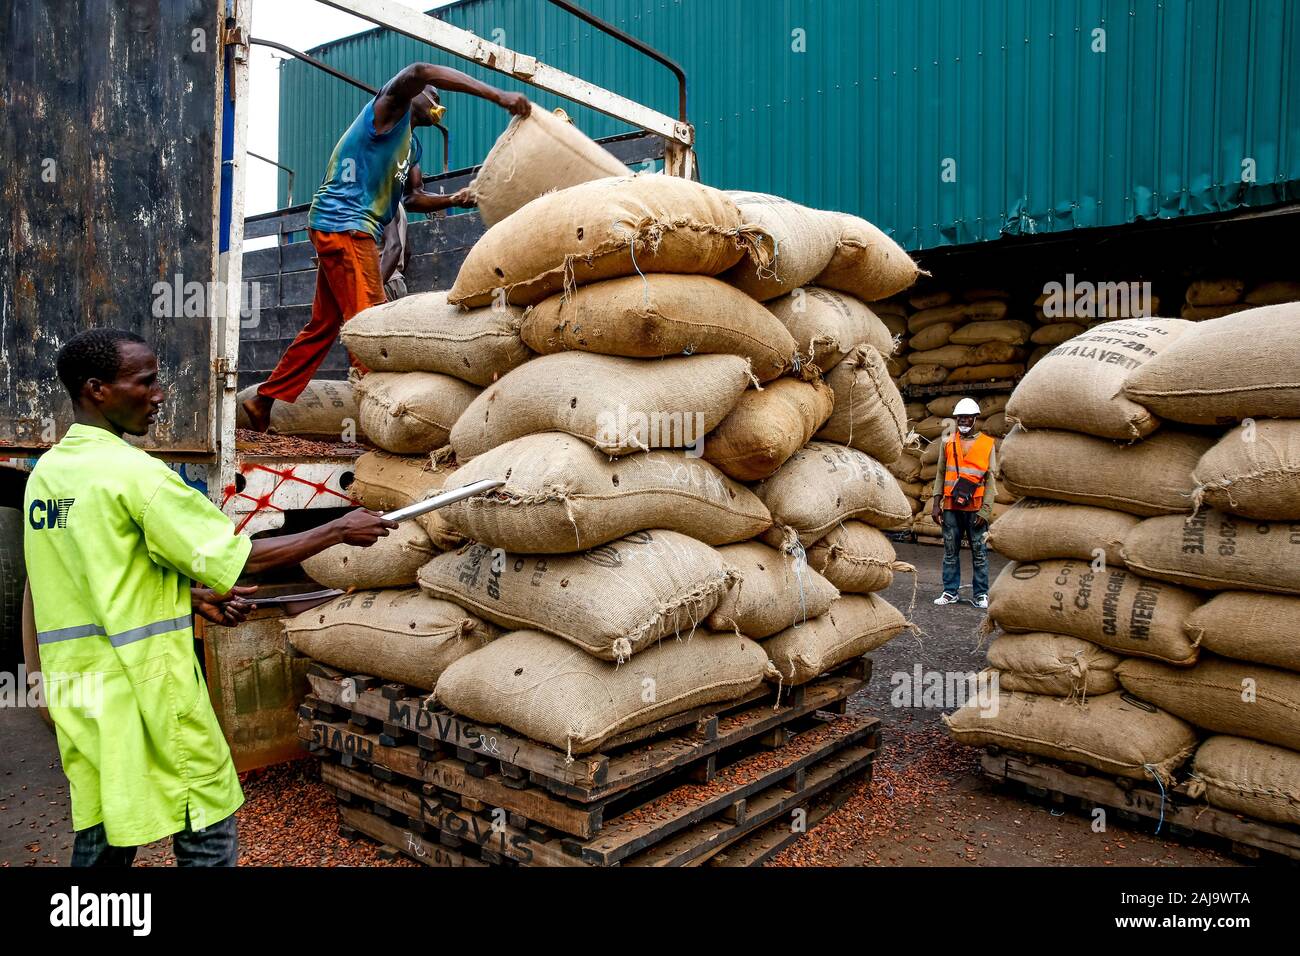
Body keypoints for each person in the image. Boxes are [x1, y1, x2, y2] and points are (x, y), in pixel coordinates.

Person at [24, 329, 398, 866]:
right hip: (146, 685)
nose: (159, 395)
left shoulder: (50, 474)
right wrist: (337, 529)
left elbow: (96, 574)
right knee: (207, 821)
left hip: (84, 690)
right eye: (146, 382)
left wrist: (186, 599)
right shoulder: (135, 476)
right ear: (97, 389)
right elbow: (238, 556)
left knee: (107, 824)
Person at [241, 64, 530, 432]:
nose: (438, 103)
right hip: (346, 225)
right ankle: (384, 420)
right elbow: (423, 69)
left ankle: (261, 401)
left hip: (340, 228)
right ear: (417, 93)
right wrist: (498, 95)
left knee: (324, 326)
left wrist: (456, 199)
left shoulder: (413, 145)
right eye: (434, 96)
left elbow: (412, 197)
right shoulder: (389, 108)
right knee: (372, 328)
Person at [930, 397, 998, 609]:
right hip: (951, 507)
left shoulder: (987, 444)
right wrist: (936, 503)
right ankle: (950, 591)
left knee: (979, 552)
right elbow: (941, 473)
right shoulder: (947, 442)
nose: (964, 421)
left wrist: (985, 511)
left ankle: (981, 594)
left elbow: (990, 480)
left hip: (975, 508)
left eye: (968, 417)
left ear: (975, 418)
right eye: (960, 417)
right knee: (950, 552)